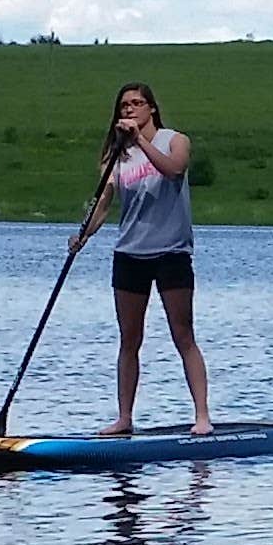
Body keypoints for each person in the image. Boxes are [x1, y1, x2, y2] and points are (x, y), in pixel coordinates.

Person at [94, 82, 212, 433]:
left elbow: (174, 169)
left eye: (137, 104)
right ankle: (125, 418)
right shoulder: (114, 156)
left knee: (183, 334)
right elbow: (104, 203)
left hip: (171, 252)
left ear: (151, 110)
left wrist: (140, 142)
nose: (129, 110)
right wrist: (83, 235)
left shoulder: (175, 140)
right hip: (130, 254)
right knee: (129, 339)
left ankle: (202, 416)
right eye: (124, 105)